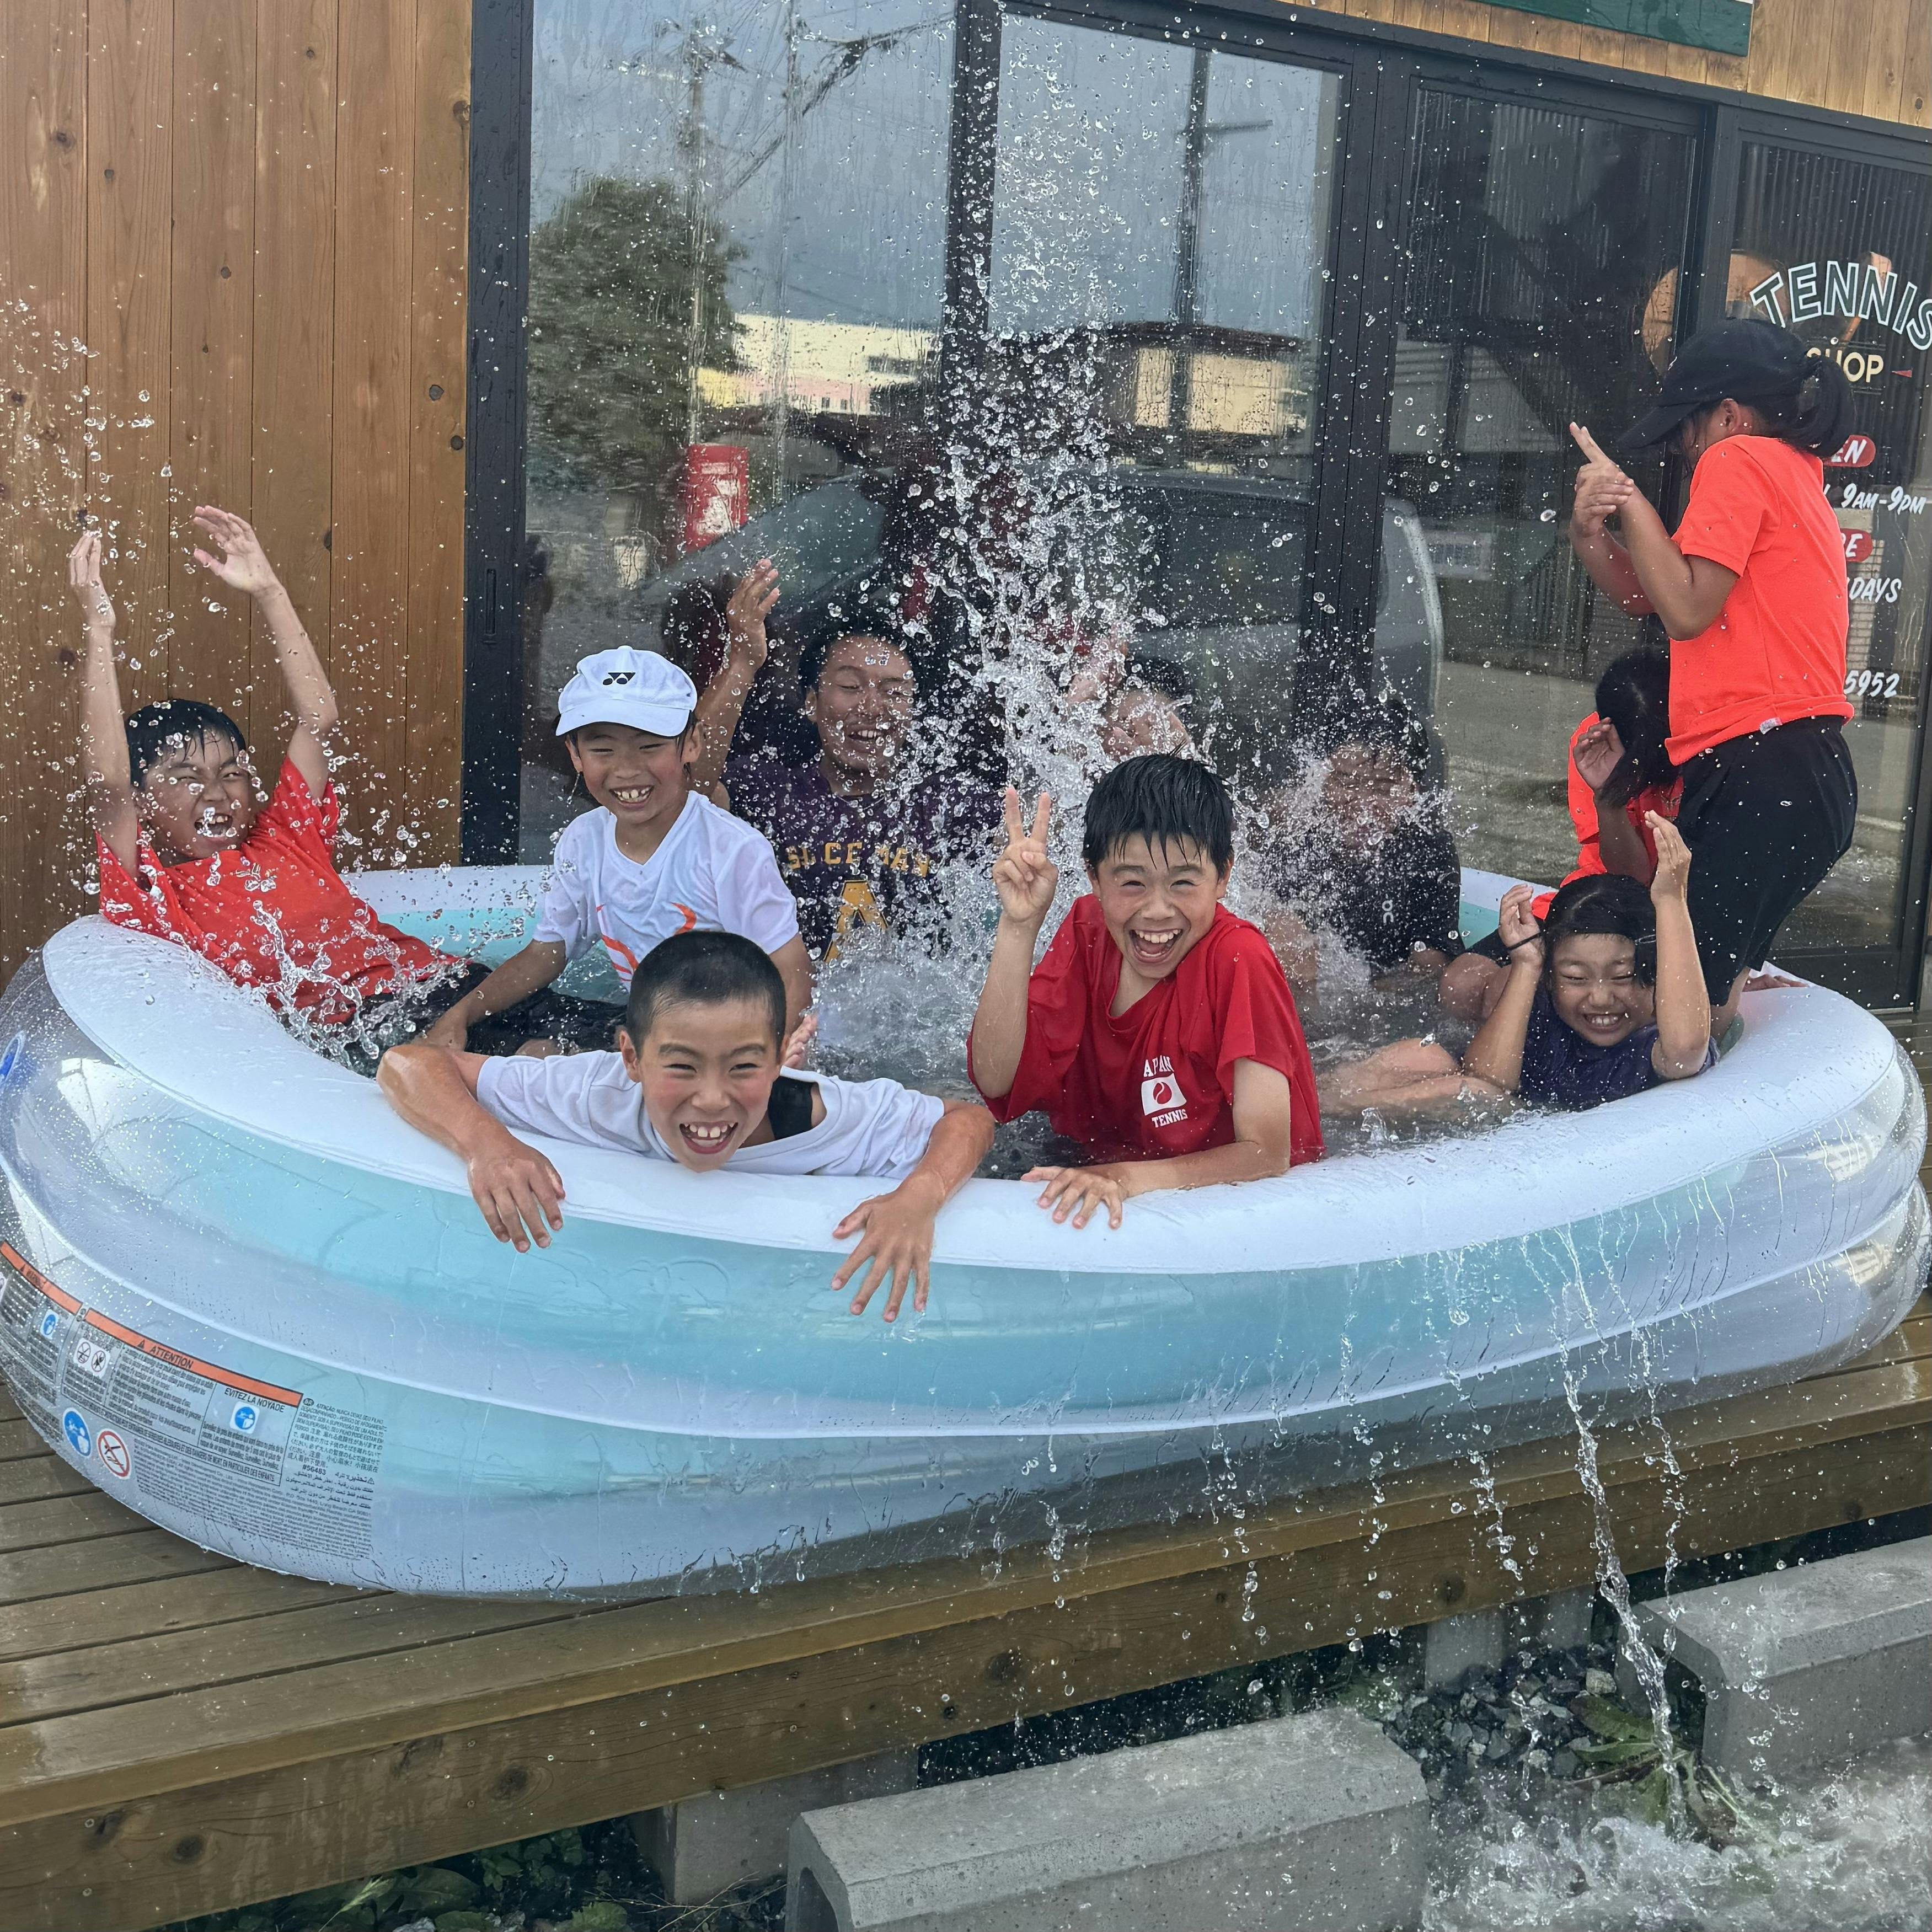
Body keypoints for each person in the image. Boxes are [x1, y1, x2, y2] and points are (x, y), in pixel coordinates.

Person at [381, 932, 994, 1322]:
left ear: (778, 1058)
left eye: (744, 1066)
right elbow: (407, 1062)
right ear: (630, 1057)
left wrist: (918, 1197)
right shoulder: (597, 1090)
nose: (711, 1099)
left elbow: (968, 1118)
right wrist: (488, 1145)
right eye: (681, 1066)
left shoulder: (827, 1115)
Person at [72, 515, 467, 1040]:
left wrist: (270, 592)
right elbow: (107, 780)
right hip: (378, 1034)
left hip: (450, 986)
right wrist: (98, 631)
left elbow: (319, 719)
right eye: (187, 776)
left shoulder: (288, 835)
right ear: (142, 801)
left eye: (231, 772)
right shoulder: (151, 891)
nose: (217, 792)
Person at [1567, 317, 1857, 1028]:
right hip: (1801, 771)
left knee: (1672, 1006)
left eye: (1684, 431)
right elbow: (1647, 593)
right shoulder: (1795, 472)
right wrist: (1588, 532)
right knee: (1703, 996)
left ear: (1727, 415)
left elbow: (1685, 611)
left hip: (1763, 766)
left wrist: (1628, 500)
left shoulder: (1738, 460)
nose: (1681, 449)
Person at [967, 754, 1323, 1231]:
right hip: (1100, 1161)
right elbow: (994, 1080)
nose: (1157, 910)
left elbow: (1266, 1154)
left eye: (1183, 882)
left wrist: (1122, 1178)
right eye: (1132, 882)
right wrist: (1018, 926)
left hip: (1234, 1216)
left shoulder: (1238, 958)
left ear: (1222, 877)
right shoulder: (1087, 930)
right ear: (1094, 878)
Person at [425, 646, 813, 1053]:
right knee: (475, 1027)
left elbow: (792, 973)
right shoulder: (584, 839)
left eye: (649, 746)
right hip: (649, 1027)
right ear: (575, 755)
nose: (627, 770)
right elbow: (546, 953)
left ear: (692, 744)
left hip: (721, 1041)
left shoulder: (731, 850)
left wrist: (766, 1070)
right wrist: (459, 1017)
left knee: (539, 1055)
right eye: (603, 750)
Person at [1323, 816, 1712, 1117]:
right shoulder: (1544, 1007)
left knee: (1472, 1094)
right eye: (1576, 978)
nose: (1600, 997)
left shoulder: (1651, 1045)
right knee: (1425, 1056)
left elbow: (1685, 1051)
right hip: (1512, 1108)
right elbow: (1488, 1074)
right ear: (1551, 978)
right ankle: (1311, 1102)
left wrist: (1671, 901)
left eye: (1623, 977)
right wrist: (1526, 963)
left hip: (1538, 1130)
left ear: (1658, 977)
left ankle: (1332, 1109)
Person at [724, 609, 998, 961]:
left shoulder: (947, 804)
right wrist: (741, 665)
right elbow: (687, 791)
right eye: (851, 687)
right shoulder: (770, 793)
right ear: (811, 703)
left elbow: (1037, 843)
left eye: (893, 692)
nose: (872, 708)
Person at [1440, 647, 1681, 1022]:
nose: (1645, 765)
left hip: (1662, 916)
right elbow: (1624, 877)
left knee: (1506, 995)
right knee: (1461, 984)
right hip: (1596, 895)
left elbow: (1646, 886)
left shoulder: (1707, 756)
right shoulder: (1596, 744)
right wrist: (1609, 798)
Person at [1254, 691, 1463, 994]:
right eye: (1346, 782)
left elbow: (1431, 963)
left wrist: (1359, 1000)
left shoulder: (1428, 848)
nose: (1362, 805)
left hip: (1375, 1000)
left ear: (1413, 793)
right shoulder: (1296, 834)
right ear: (1320, 780)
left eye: (1383, 788)